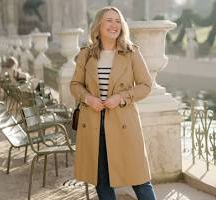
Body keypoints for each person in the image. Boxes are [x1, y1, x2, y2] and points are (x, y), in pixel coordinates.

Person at [70, 6, 157, 200]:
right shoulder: (86, 54)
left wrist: (121, 98)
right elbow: (75, 85)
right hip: (93, 123)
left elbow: (146, 85)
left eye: (118, 21)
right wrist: (88, 98)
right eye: (109, 20)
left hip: (123, 122)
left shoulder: (131, 52)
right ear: (99, 25)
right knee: (101, 179)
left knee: (140, 179)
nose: (114, 25)